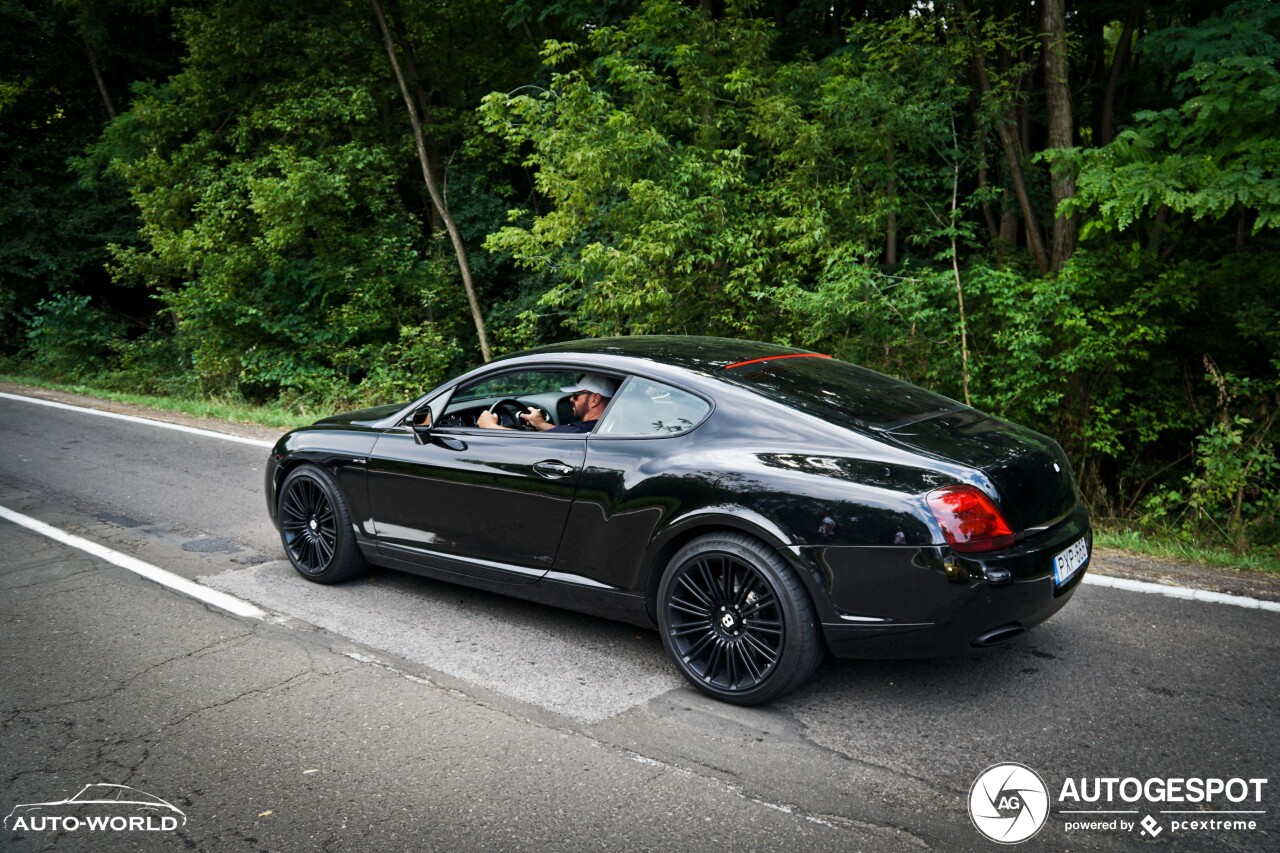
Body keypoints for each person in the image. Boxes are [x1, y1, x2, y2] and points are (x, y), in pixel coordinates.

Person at [476, 373, 617, 433]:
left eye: (576, 395)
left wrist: (490, 426)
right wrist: (540, 424)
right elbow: (562, 435)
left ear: (595, 399)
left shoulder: (582, 431)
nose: (571, 399)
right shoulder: (606, 426)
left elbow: (532, 443)